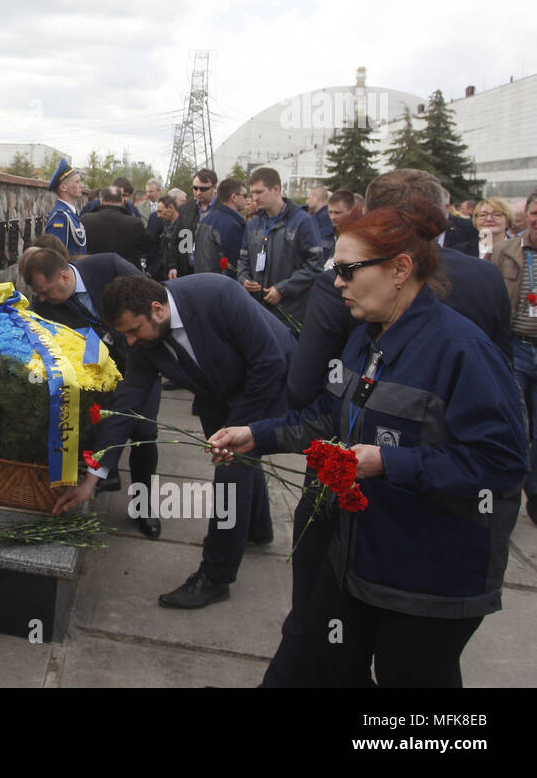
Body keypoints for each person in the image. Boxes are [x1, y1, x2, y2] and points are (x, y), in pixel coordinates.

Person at [209, 197, 527, 686]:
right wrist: (258, 434)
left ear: (400, 269)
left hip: (431, 579)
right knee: (324, 660)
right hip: (361, 556)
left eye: (349, 270)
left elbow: (501, 463)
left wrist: (390, 463)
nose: (337, 283)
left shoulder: (461, 350)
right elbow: (329, 415)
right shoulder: (368, 336)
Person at [53, 275, 293, 604]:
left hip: (268, 381)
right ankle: (258, 529)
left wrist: (234, 433)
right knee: (242, 465)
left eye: (134, 330)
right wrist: (93, 476)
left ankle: (215, 577)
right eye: (125, 334)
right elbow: (127, 404)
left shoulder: (218, 294)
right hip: (215, 393)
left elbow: (269, 362)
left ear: (158, 310)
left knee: (230, 475)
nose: (131, 342)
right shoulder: (143, 342)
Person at [19, 246, 160, 534]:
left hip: (140, 362)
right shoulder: (45, 306)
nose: (42, 298)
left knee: (144, 435)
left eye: (46, 291)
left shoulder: (109, 267)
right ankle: (105, 475)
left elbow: (154, 299)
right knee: (106, 428)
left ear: (63, 275)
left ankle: (144, 508)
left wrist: (159, 354)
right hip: (98, 377)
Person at [494, 189, 537, 524]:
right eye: (535, 213)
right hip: (517, 348)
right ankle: (509, 493)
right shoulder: (507, 251)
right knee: (516, 425)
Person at [238, 167, 323, 333]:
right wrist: (244, 279)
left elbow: (315, 265)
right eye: (252, 193)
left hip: (290, 313)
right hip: (258, 310)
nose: (254, 198)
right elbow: (242, 259)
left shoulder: (303, 221)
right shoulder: (253, 224)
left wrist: (283, 288)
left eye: (259, 192)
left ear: (276, 189)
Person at [170, 168, 218, 278]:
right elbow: (176, 239)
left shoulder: (222, 210)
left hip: (212, 273)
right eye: (195, 188)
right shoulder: (185, 210)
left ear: (214, 188)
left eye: (203, 189)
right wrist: (172, 266)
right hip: (187, 270)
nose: (198, 192)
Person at [192, 178, 247, 276]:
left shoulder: (206, 219)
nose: (247, 199)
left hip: (202, 280)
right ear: (234, 197)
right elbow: (232, 264)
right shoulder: (232, 224)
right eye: (245, 196)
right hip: (220, 285)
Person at [83, 187, 147, 268]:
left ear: (101, 200)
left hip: (93, 271)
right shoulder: (135, 223)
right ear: (123, 201)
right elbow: (145, 247)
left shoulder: (85, 220)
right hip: (126, 273)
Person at [45, 158, 87, 259]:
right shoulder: (60, 217)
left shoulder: (71, 213)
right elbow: (56, 257)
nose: (82, 186)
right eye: (77, 182)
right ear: (64, 187)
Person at [306, 185, 335, 262]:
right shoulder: (322, 216)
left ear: (317, 198)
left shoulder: (324, 218)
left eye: (308, 198)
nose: (307, 201)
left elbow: (323, 248)